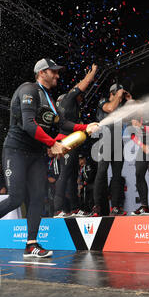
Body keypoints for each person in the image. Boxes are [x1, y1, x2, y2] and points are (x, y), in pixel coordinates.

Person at [0, 58, 99, 258]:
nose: (57, 75)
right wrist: (52, 143)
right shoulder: (28, 90)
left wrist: (85, 127)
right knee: (16, 198)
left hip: (36, 154)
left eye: (57, 72)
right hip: (16, 151)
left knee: (39, 196)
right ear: (41, 73)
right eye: (53, 72)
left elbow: (62, 123)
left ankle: (31, 245)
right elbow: (29, 124)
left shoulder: (49, 97)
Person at [53, 64, 98, 218]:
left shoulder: (67, 104)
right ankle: (58, 209)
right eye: (80, 97)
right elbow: (82, 86)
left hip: (71, 142)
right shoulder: (68, 98)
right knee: (64, 175)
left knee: (72, 175)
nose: (81, 98)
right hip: (66, 142)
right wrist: (92, 73)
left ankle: (74, 208)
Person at [90, 83, 131, 216]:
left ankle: (115, 207)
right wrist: (118, 95)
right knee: (101, 173)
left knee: (117, 176)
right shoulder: (104, 101)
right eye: (119, 95)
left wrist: (130, 101)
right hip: (105, 142)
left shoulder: (120, 106)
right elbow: (110, 108)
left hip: (118, 143)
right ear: (112, 93)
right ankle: (96, 206)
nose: (121, 98)